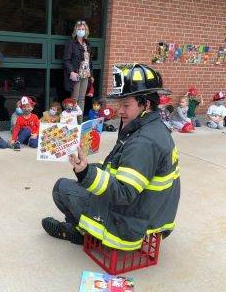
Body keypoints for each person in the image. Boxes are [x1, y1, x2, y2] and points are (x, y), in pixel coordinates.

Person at [42, 64, 180, 250]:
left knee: (61, 188)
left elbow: (123, 193)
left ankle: (83, 233)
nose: (120, 111)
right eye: (119, 104)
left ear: (146, 104)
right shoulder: (152, 128)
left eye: (126, 105)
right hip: (151, 215)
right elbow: (123, 169)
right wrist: (90, 168)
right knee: (87, 182)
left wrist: (85, 174)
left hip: (129, 225)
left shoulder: (143, 141)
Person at [63, 20, 94, 124]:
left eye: (83, 29)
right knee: (74, 100)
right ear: (75, 30)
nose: (81, 30)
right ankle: (72, 123)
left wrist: (91, 75)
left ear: (86, 30)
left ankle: (79, 123)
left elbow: (89, 61)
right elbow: (66, 60)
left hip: (86, 75)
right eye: (79, 29)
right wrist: (71, 72)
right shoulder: (71, 42)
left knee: (82, 99)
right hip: (76, 75)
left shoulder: (87, 43)